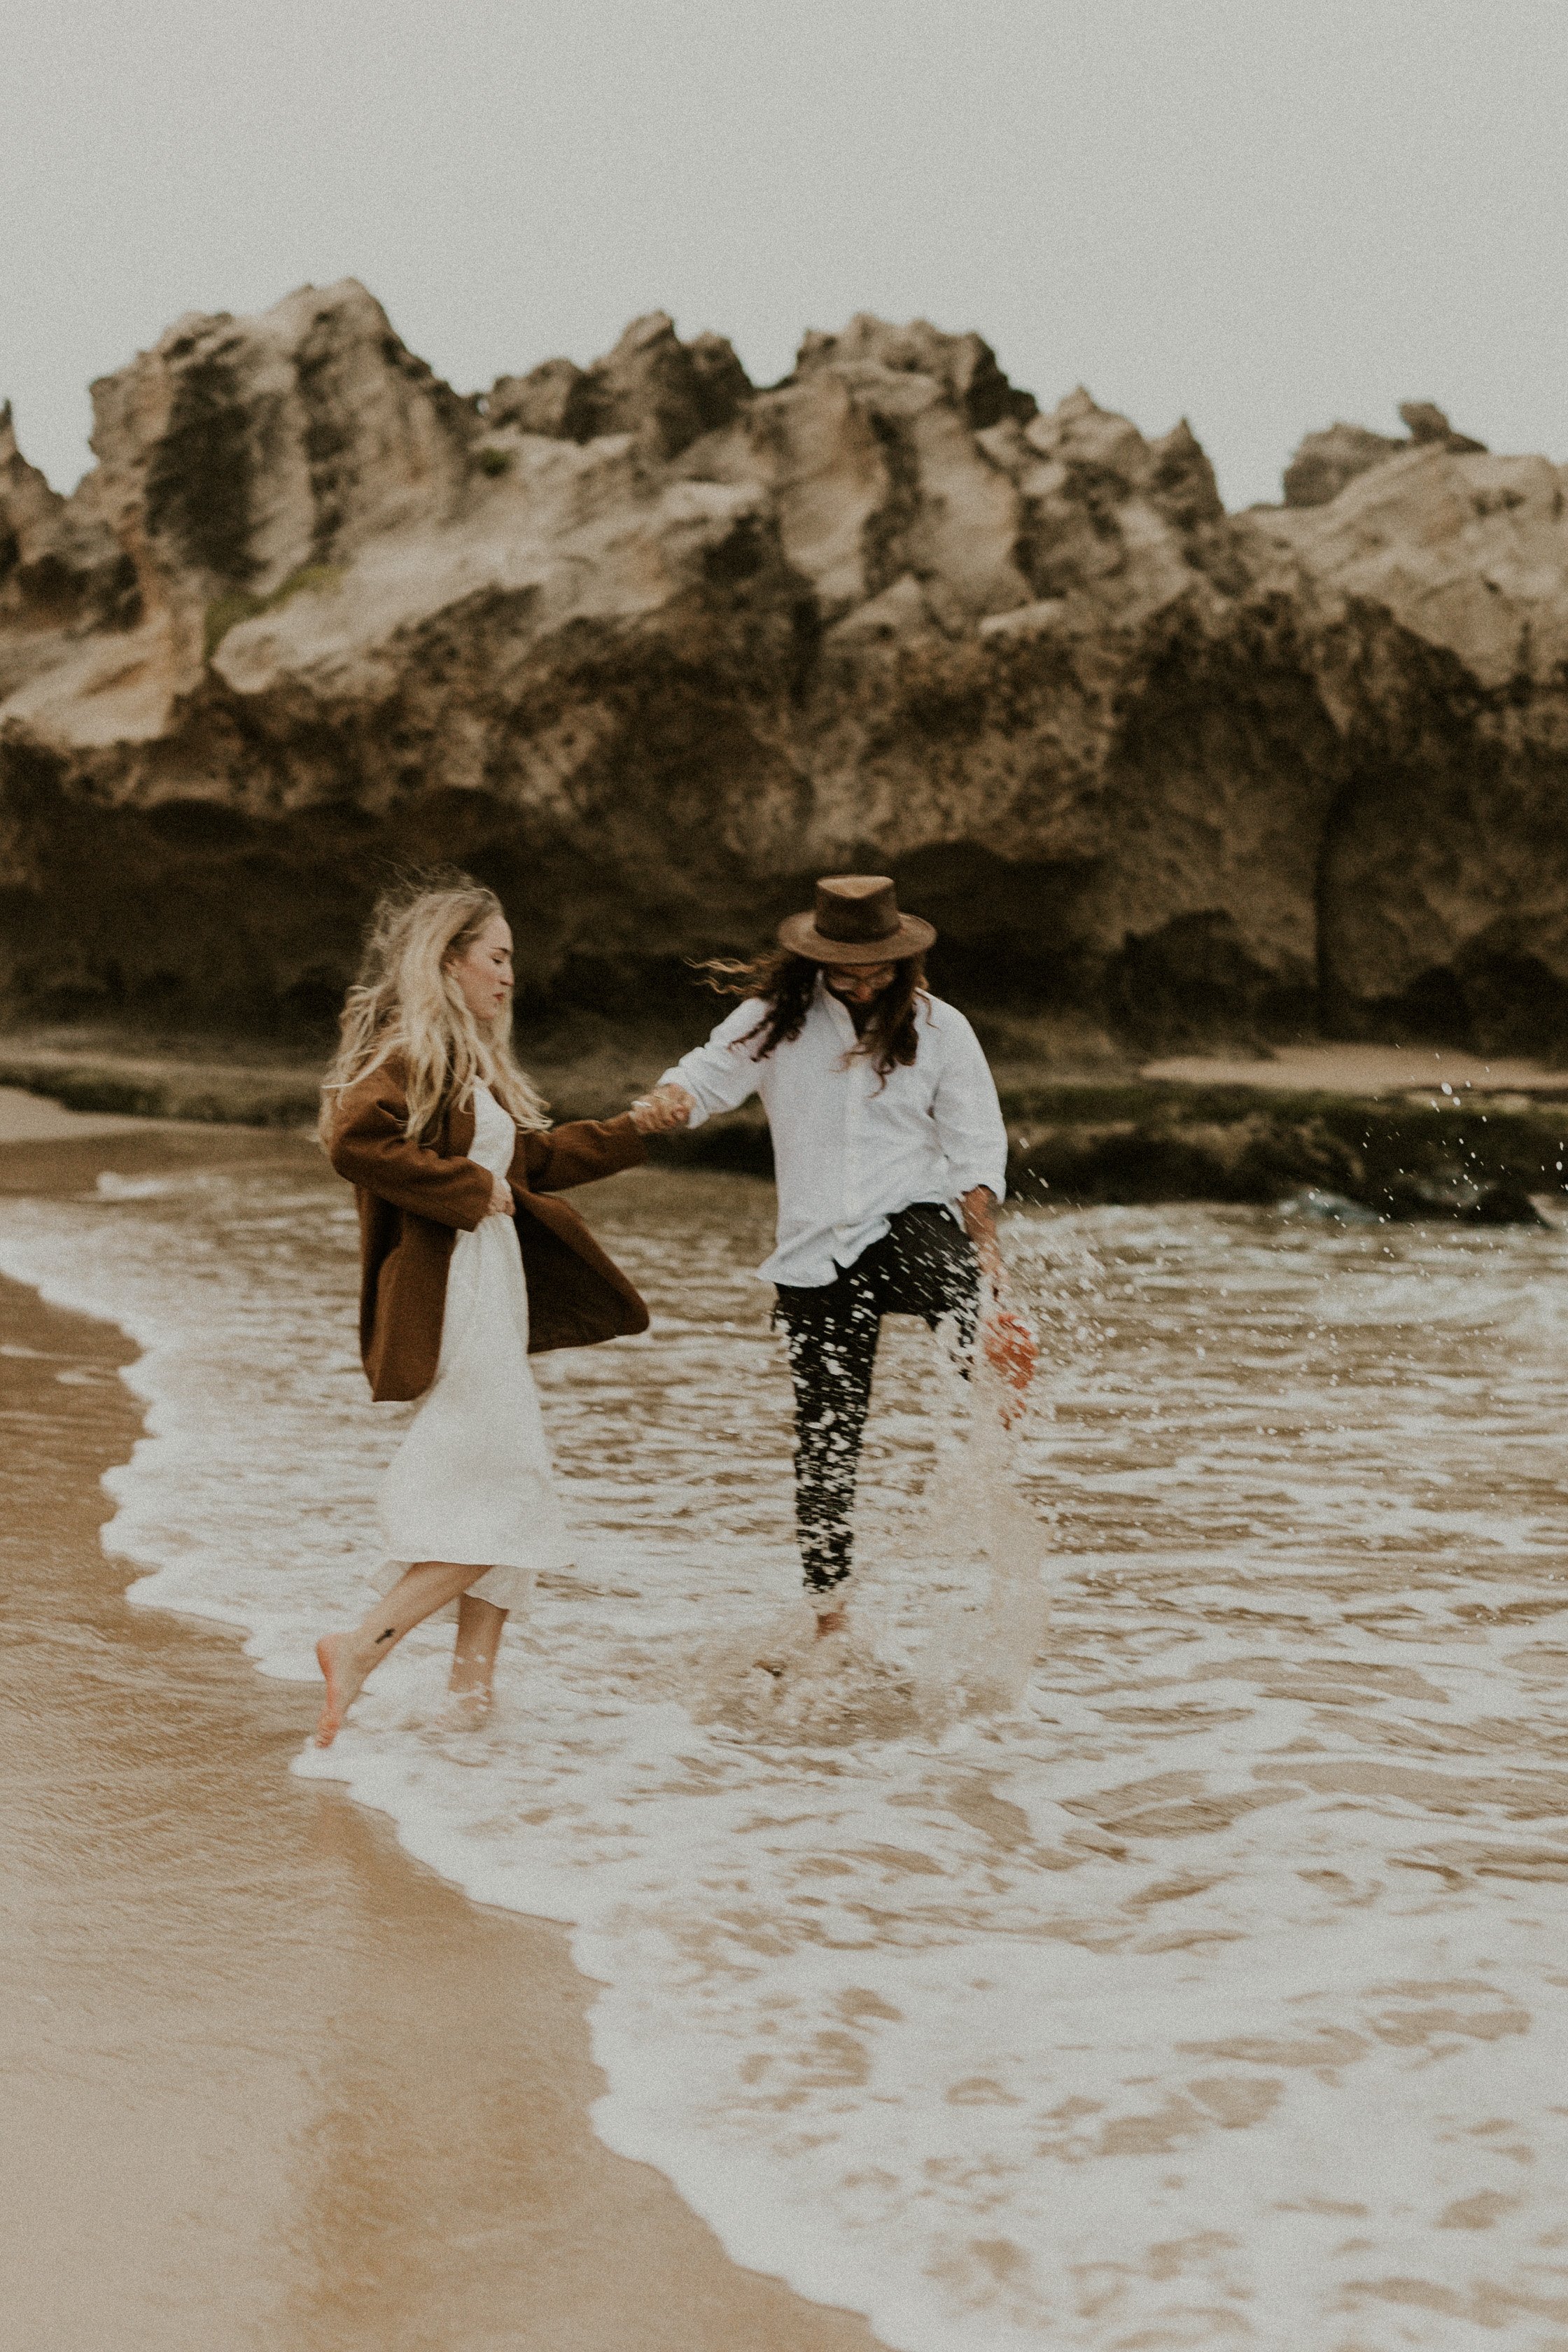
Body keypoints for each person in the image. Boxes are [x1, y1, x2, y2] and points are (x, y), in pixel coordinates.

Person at [312, 878, 687, 1746]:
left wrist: (638, 1127)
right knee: (506, 1492)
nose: (509, 975)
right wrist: (468, 1188)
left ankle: (469, 1700)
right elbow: (354, 1139)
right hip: (456, 1292)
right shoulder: (416, 1052)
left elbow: (536, 1163)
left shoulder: (468, 1064)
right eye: (497, 956)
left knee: (506, 1483)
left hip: (489, 1290)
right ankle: (358, 1648)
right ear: (450, 960)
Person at [645, 874, 1035, 1637]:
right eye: (845, 973)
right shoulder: (773, 1020)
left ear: (903, 961)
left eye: (876, 971)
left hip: (905, 1217)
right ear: (816, 961)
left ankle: (994, 1381)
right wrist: (670, 1100)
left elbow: (974, 1145)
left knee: (957, 1285)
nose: (861, 986)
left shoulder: (941, 1028)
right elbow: (704, 1076)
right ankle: (830, 1617)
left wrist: (988, 1256)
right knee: (827, 1439)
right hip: (814, 1250)